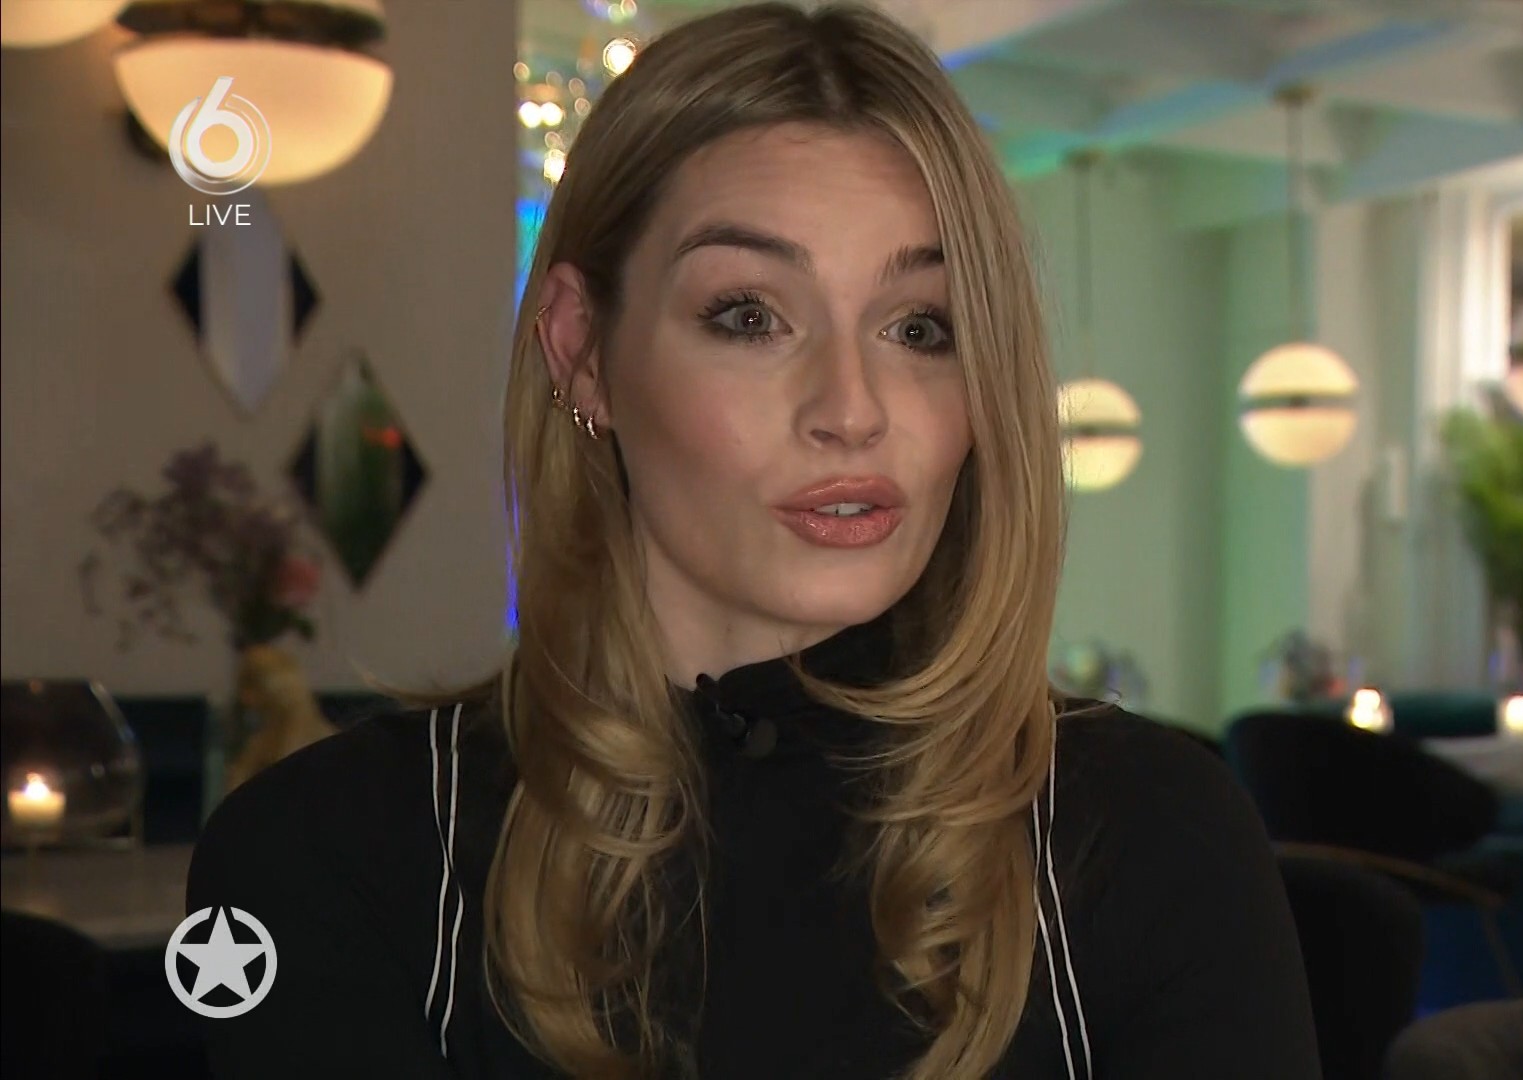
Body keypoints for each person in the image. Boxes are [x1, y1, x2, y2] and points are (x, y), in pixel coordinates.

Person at [185, 3, 1320, 1077]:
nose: (853, 409)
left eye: (920, 327)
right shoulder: (326, 852)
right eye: (750, 316)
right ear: (583, 350)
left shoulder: (1149, 832)